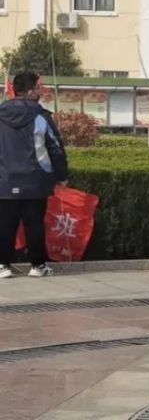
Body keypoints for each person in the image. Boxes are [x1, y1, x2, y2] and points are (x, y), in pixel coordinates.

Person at [0, 72, 68, 279]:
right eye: (39, 88)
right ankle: (38, 266)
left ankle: (3, 266)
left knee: (4, 224)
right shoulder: (41, 117)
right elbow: (55, 148)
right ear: (30, 92)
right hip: (35, 180)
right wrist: (62, 175)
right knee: (35, 224)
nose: (41, 91)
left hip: (4, 180)